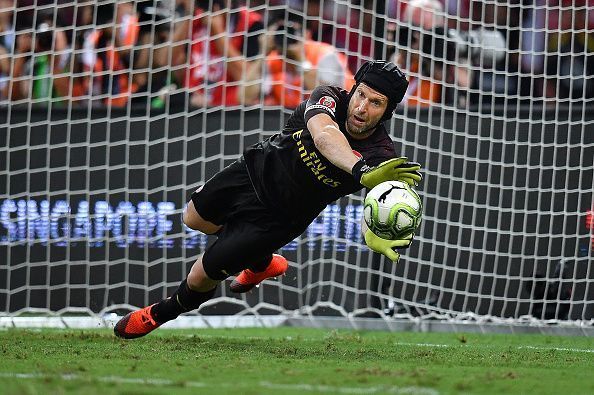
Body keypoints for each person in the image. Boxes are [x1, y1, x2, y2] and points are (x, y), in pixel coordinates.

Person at [114, 60, 422, 339]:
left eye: (376, 103)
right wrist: (359, 169)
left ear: (388, 112)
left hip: (279, 219)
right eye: (361, 95)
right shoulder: (328, 97)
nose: (361, 108)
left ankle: (159, 313)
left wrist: (375, 232)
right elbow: (325, 136)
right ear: (352, 89)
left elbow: (378, 202)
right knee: (192, 218)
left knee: (199, 277)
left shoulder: (381, 156)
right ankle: (261, 262)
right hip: (253, 171)